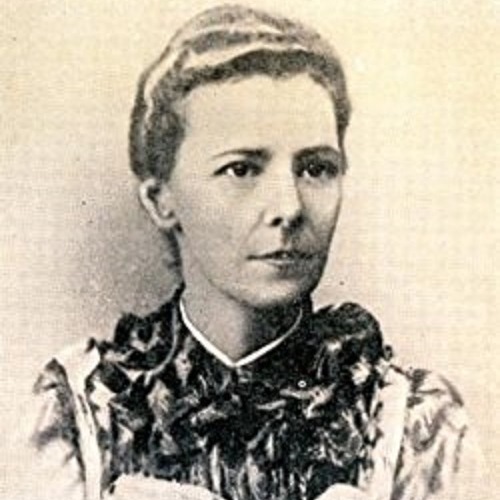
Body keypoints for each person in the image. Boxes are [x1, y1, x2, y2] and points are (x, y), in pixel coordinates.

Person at [25, 4, 487, 500]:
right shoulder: (81, 410)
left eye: (316, 169)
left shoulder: (412, 424)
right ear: (162, 200)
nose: (289, 208)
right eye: (242, 169)